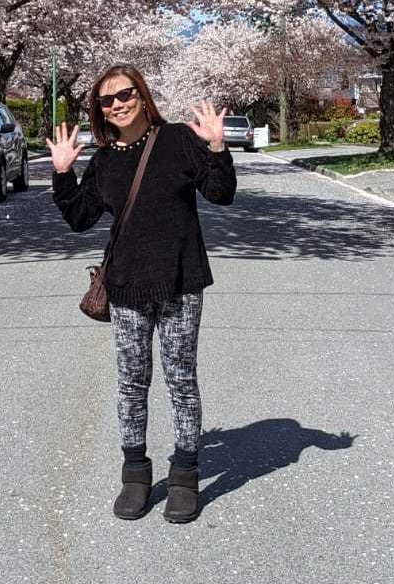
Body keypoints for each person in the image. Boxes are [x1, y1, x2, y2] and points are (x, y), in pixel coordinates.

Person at [46, 63, 237, 524]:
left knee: (181, 381)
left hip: (180, 282)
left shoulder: (177, 140)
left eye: (125, 94)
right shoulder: (106, 160)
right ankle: (135, 474)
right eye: (107, 101)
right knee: (132, 384)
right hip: (128, 286)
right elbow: (79, 218)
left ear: (142, 94)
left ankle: (185, 475)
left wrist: (216, 145)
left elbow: (221, 193)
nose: (118, 104)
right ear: (100, 111)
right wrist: (62, 174)